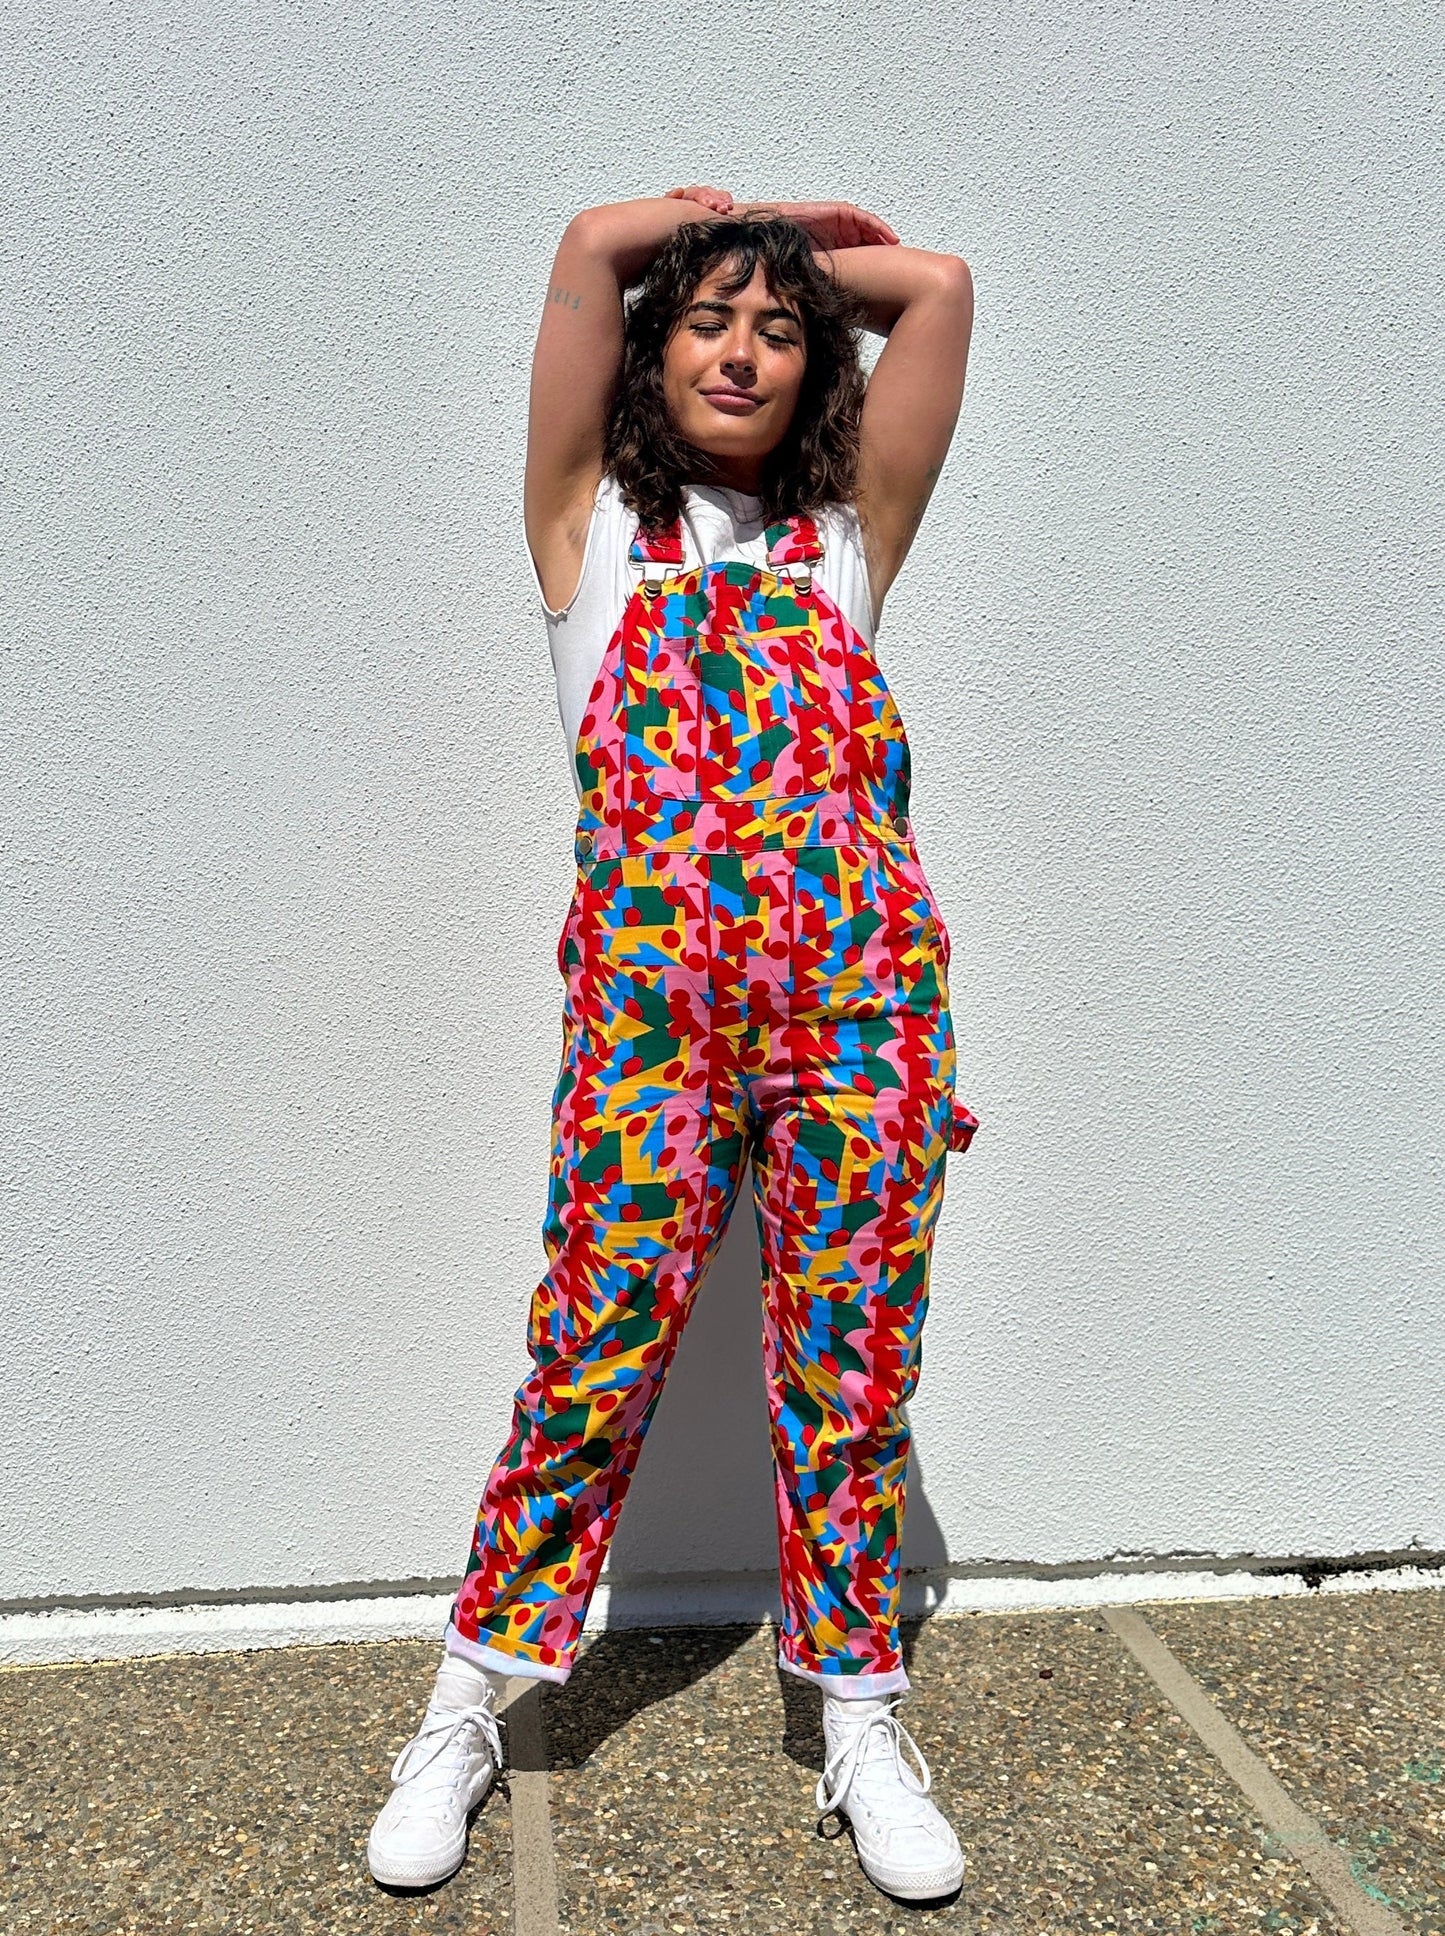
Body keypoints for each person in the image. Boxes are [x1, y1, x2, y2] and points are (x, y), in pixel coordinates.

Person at [366, 185, 978, 1904]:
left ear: (816, 372)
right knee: (590, 1358)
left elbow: (936, 290)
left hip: (861, 1022)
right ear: (651, 353)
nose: (742, 351)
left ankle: (857, 1714)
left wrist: (793, 255)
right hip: (656, 1034)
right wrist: (708, 236)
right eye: (708, 320)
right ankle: (466, 1708)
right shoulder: (590, 534)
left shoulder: (843, 539)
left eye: (780, 333)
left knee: (850, 1379)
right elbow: (582, 250)